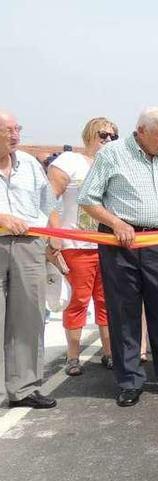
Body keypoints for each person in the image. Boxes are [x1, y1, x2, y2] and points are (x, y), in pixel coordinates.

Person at [78, 107, 158, 407]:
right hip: (121, 244)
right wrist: (117, 223)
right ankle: (130, 381)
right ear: (141, 131)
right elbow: (88, 198)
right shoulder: (112, 155)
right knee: (125, 312)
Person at [46, 117, 117, 376]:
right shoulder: (69, 162)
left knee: (107, 301)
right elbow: (48, 199)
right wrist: (53, 235)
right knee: (77, 301)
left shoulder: (112, 164)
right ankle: (73, 356)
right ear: (89, 134)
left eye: (113, 136)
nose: (108, 140)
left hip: (106, 245)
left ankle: (109, 352)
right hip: (75, 245)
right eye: (103, 134)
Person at [0, 110, 58, 409]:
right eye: (7, 130)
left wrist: (51, 238)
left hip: (29, 246)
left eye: (17, 129)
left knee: (28, 319)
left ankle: (24, 388)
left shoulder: (31, 166)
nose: (15, 135)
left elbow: (48, 204)